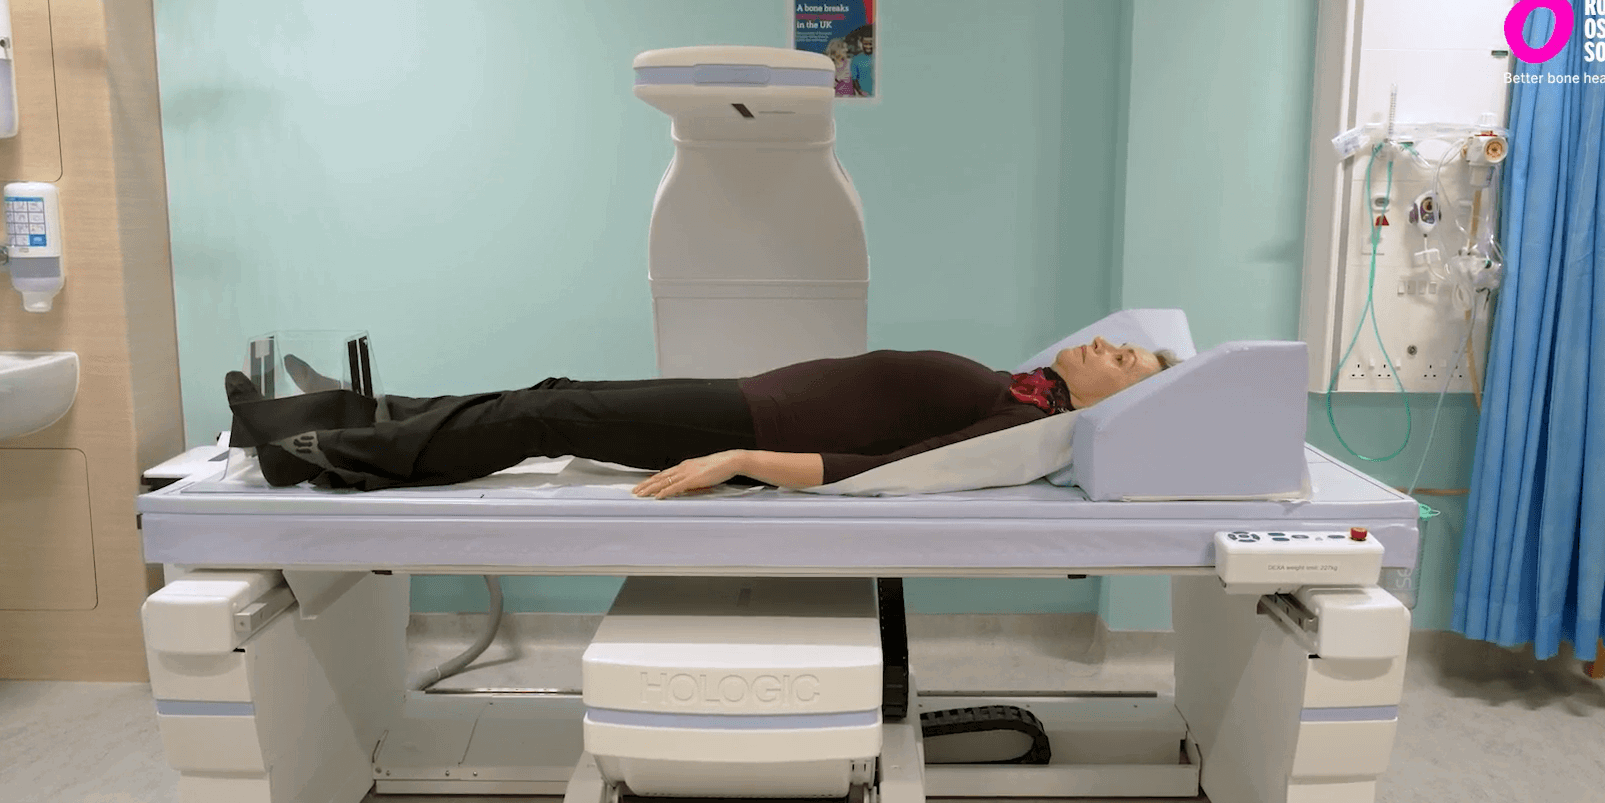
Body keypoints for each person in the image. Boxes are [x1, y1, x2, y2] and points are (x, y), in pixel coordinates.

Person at [224, 337, 1177, 497]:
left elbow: (891, 470)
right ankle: (340, 413)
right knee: (553, 395)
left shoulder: (1026, 425)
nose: (1110, 345)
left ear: (1122, 401)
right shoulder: (1029, 389)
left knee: (546, 415)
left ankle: (313, 451)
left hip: (750, 421)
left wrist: (739, 459)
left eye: (1127, 361)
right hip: (749, 396)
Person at [846, 25, 874, 96]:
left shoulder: (880, 57)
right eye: (865, 43)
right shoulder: (856, 59)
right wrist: (860, 92)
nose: (868, 46)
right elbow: (854, 79)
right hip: (864, 95)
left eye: (871, 43)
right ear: (861, 43)